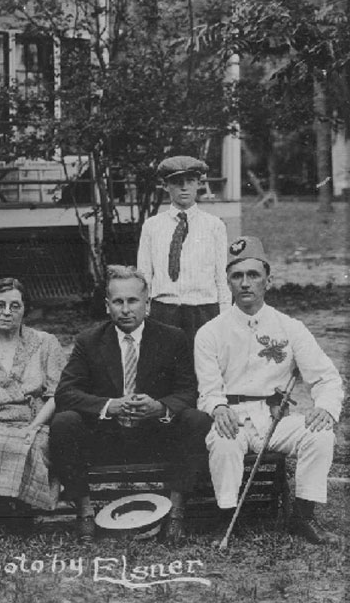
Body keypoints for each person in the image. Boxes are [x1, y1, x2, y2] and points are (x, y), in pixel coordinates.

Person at [196, 236, 342, 544]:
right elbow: (208, 388)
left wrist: (325, 408)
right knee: (224, 442)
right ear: (228, 283)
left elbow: (327, 377)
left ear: (268, 280)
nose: (245, 283)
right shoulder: (210, 332)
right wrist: (218, 408)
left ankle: (303, 517)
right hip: (231, 416)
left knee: (320, 433)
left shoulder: (290, 327)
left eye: (253, 275)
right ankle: (226, 520)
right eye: (237, 276)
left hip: (273, 418)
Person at [52, 265, 212, 542]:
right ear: (107, 306)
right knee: (65, 421)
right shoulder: (89, 341)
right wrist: (108, 405)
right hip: (107, 437)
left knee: (197, 420)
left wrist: (160, 407)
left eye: (133, 301)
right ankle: (85, 513)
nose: (125, 309)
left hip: (157, 435)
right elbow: (65, 393)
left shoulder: (173, 338)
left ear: (147, 304)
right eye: (118, 302)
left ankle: (175, 512)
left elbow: (189, 391)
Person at [0, 278, 67, 513]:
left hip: (34, 424)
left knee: (32, 445)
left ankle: (19, 507)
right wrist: (0, 430)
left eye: (14, 306)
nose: (6, 312)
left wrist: (33, 427)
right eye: (0, 305)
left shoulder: (45, 343)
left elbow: (56, 394)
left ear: (25, 309)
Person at [138, 156, 229, 339]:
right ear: (165, 186)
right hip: (164, 309)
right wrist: (144, 309)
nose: (184, 187)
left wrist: (225, 313)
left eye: (190, 181)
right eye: (177, 182)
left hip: (203, 309)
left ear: (199, 184)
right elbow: (145, 273)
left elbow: (221, 275)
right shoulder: (152, 226)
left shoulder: (214, 225)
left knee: (201, 364)